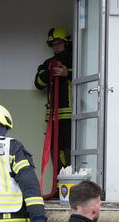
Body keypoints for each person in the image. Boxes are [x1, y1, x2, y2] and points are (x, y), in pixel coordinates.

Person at [35, 27, 73, 169]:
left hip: (72, 117)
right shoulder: (48, 62)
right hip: (54, 117)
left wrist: (67, 73)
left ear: (66, 42)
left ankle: (72, 187)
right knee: (55, 154)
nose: (56, 47)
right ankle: (57, 188)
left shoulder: (76, 60)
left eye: (58, 43)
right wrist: (48, 72)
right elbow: (38, 84)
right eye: (53, 45)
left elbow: (86, 78)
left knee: (71, 153)